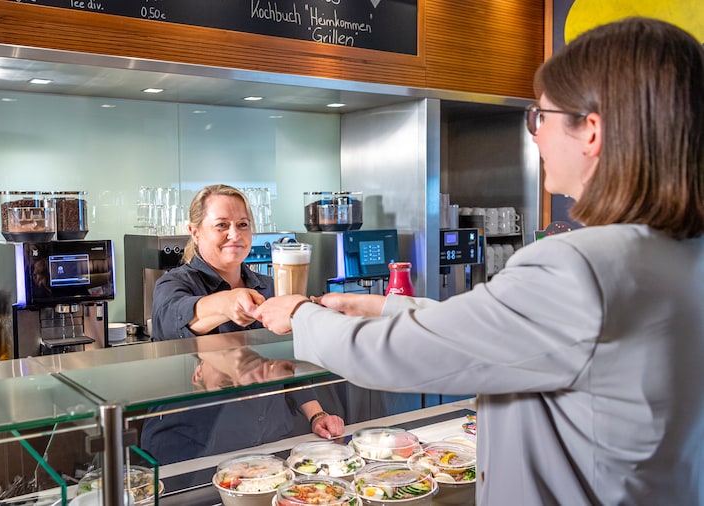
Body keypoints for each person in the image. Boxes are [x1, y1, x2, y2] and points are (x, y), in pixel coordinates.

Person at [254, 17, 704, 506]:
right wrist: (383, 308)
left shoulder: (578, 265)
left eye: (540, 116)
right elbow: (529, 336)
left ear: (591, 131)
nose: (535, 136)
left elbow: (396, 355)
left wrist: (301, 315)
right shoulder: (680, 253)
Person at [142, 184, 343, 467]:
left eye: (243, 224)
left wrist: (317, 415)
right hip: (193, 454)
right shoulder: (173, 284)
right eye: (221, 225)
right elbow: (175, 317)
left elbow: (287, 364)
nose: (234, 234)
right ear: (195, 231)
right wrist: (227, 303)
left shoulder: (269, 286)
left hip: (270, 446)